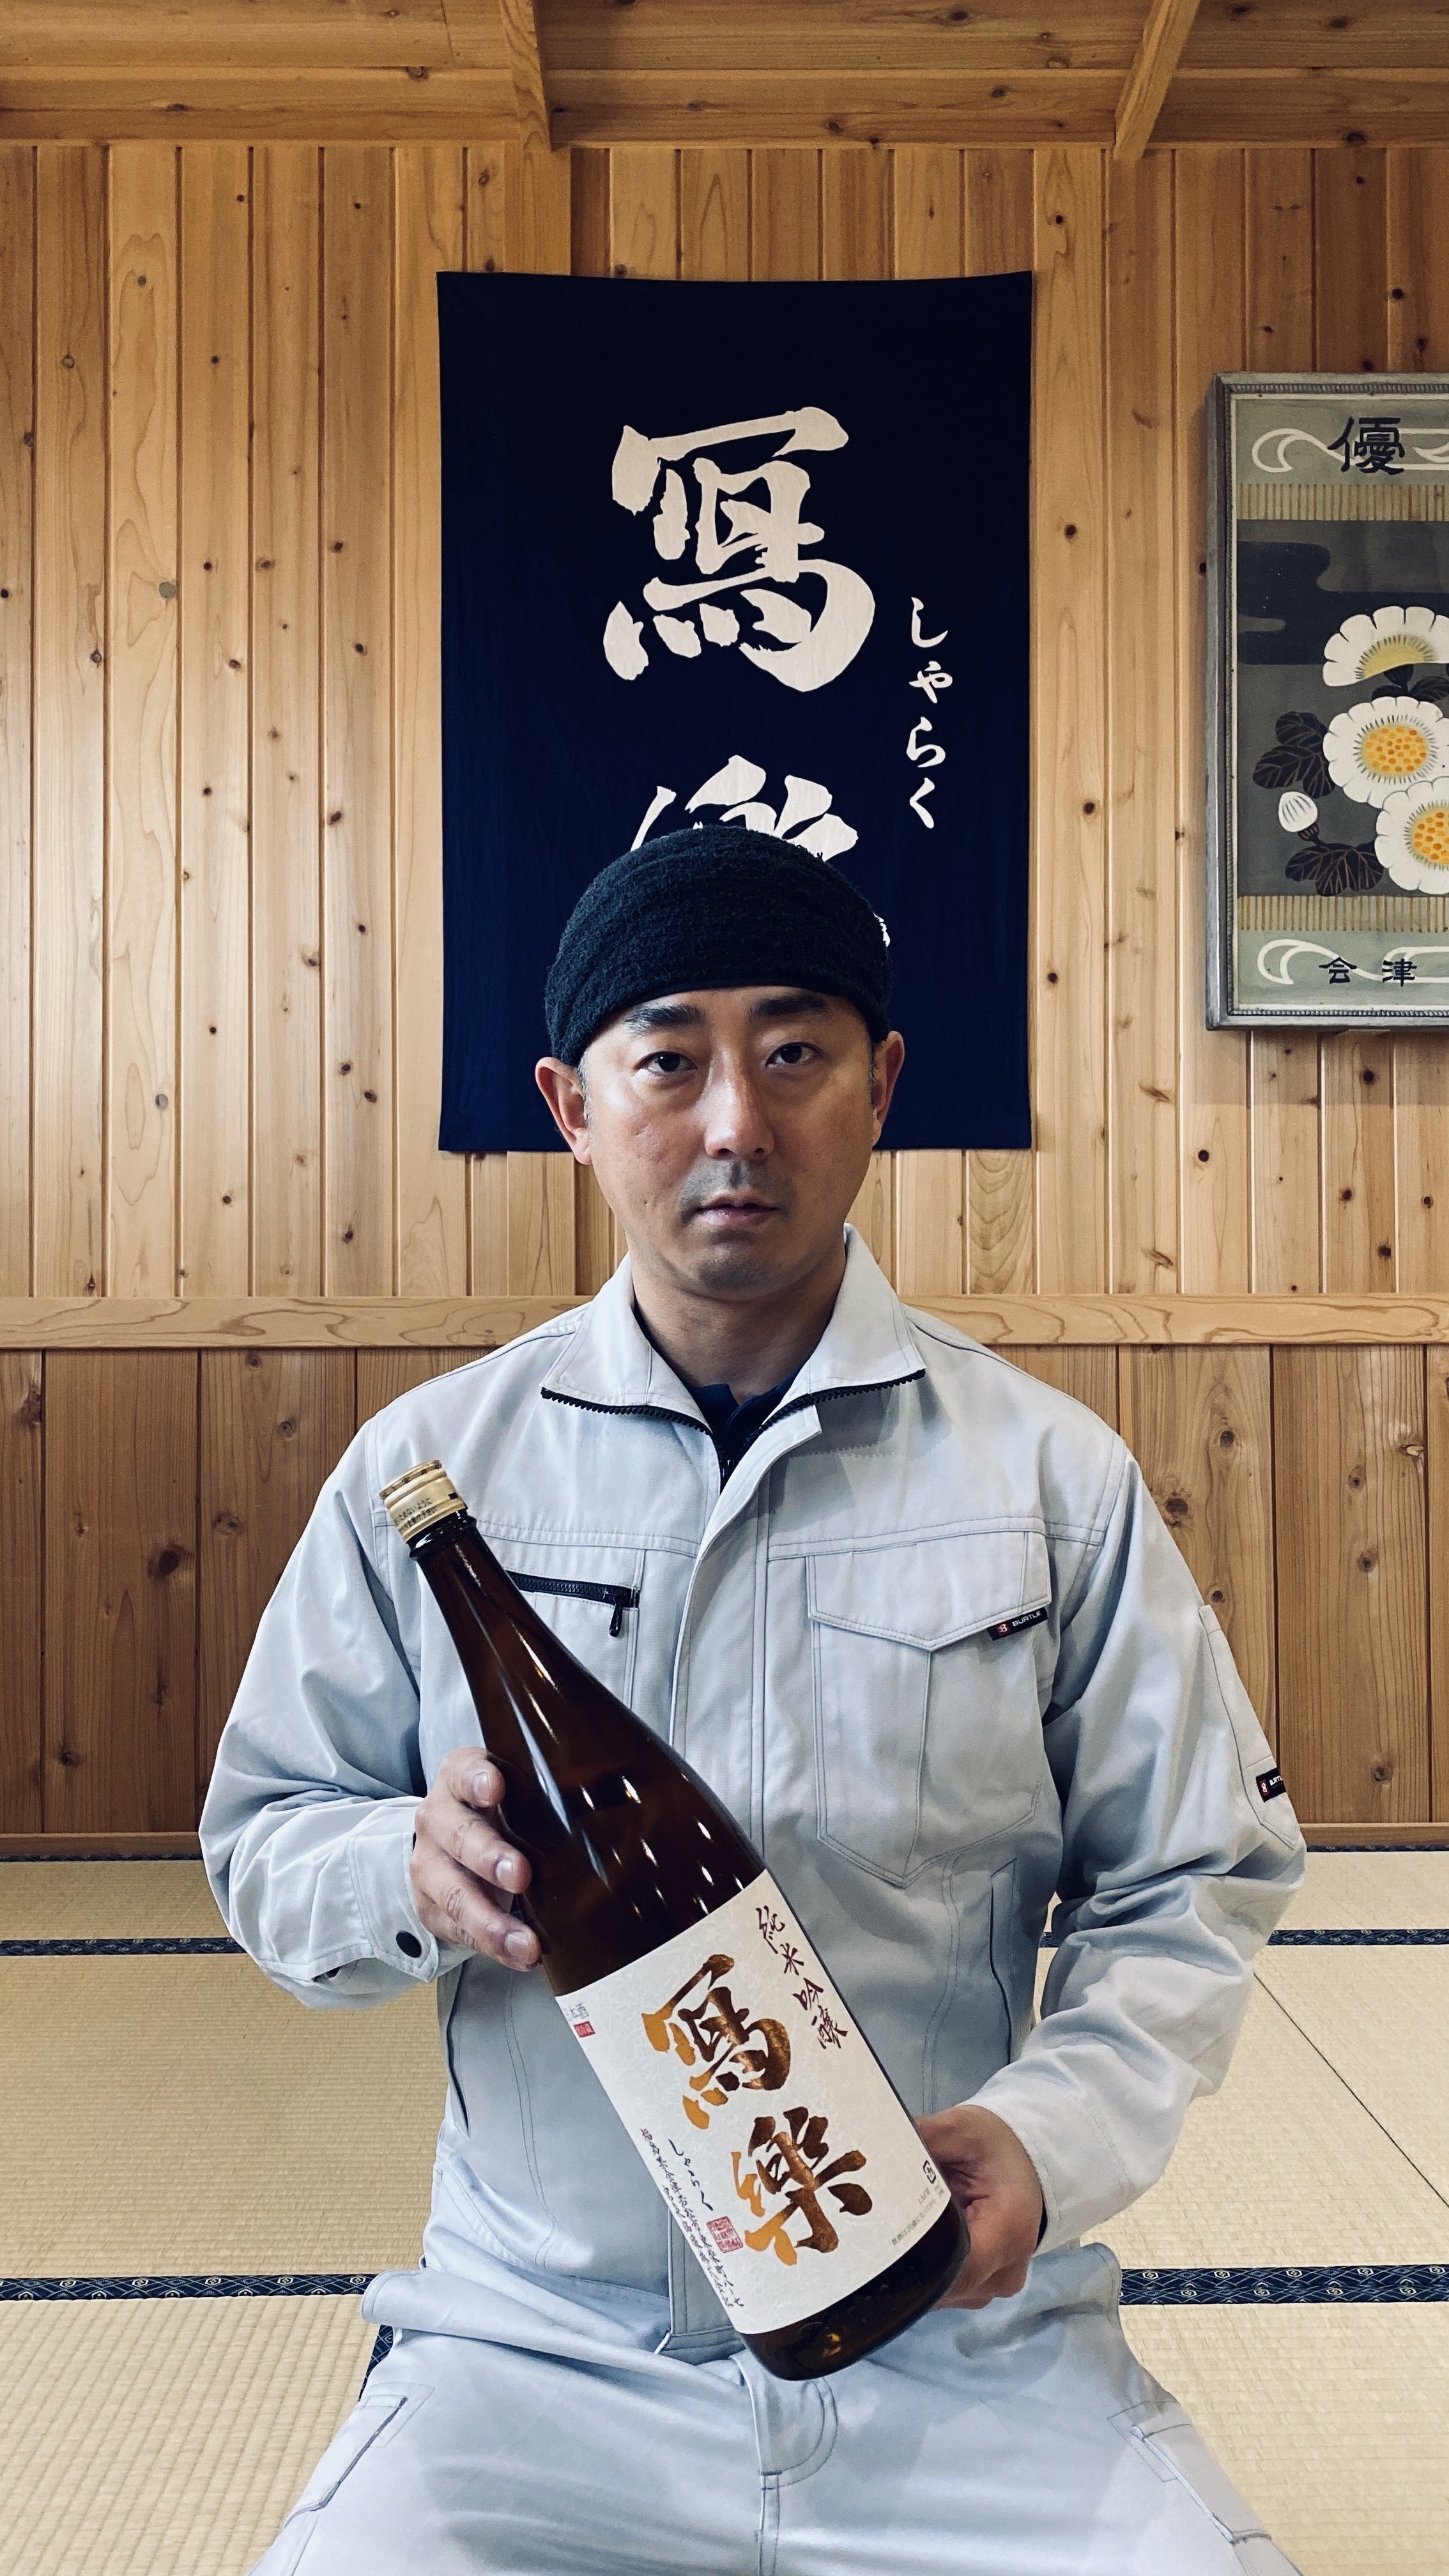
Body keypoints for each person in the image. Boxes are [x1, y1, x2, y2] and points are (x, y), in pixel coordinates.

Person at [203, 825, 1305, 2576]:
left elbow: (1196, 1878)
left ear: (882, 1088)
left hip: (957, 2341)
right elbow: (267, 1839)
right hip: (536, 2355)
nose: (735, 1121)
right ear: (572, 1107)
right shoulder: (427, 1474)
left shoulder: (1047, 1476)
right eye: (668, 1060)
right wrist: (400, 1872)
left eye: (794, 1053)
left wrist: (1046, 2141)